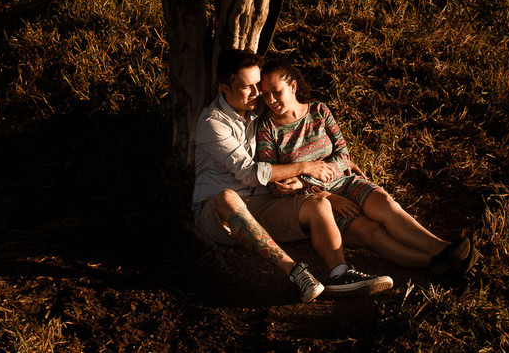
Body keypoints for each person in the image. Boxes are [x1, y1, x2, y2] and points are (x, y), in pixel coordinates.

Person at [191, 49, 394, 302]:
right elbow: (250, 174)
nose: (257, 94)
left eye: (258, 86)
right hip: (217, 213)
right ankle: (296, 273)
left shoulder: (258, 113)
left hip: (262, 204)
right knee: (227, 197)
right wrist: (305, 167)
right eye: (247, 88)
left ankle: (341, 273)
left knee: (319, 204)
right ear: (225, 88)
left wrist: (338, 161)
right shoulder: (213, 123)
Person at [255, 59, 479, 276]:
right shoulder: (267, 127)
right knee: (373, 233)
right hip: (314, 198)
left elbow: (343, 154)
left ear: (292, 86)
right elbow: (276, 182)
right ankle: (437, 264)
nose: (271, 99)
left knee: (386, 205)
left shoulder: (319, 111)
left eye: (277, 91)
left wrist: (318, 171)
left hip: (344, 180)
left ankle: (440, 248)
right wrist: (312, 183)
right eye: (265, 94)